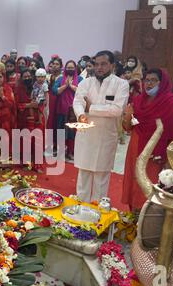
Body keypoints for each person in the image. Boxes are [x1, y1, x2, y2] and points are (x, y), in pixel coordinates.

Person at [121, 69, 173, 211]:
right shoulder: (138, 100)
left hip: (155, 152)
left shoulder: (171, 104)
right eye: (147, 80)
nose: (148, 84)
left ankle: (147, 218)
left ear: (162, 83)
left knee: (148, 183)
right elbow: (129, 126)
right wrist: (128, 117)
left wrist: (171, 161)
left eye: (153, 80)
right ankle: (133, 216)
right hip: (135, 147)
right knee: (134, 180)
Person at [73, 50, 129, 203]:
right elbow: (78, 102)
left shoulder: (121, 84)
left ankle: (96, 215)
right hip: (86, 134)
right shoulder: (85, 83)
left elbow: (117, 110)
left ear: (111, 65)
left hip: (106, 136)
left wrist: (91, 108)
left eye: (103, 64)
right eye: (97, 64)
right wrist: (80, 114)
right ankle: (80, 210)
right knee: (83, 175)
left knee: (101, 177)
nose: (99, 67)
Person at [15, 69, 45, 173]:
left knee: (37, 141)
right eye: (25, 77)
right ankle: (26, 163)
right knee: (26, 141)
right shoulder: (18, 90)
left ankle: (37, 165)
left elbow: (43, 102)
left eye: (29, 76)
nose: (27, 78)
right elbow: (16, 104)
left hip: (37, 118)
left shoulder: (38, 87)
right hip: (24, 118)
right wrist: (28, 105)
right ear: (21, 78)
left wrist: (39, 105)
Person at [53, 60, 83, 160]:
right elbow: (55, 91)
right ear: (65, 69)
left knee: (72, 132)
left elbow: (83, 91)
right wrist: (65, 85)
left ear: (75, 68)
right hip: (61, 109)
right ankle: (61, 151)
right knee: (61, 131)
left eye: (72, 68)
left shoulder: (79, 79)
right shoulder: (61, 78)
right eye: (68, 68)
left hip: (73, 111)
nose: (70, 69)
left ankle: (70, 152)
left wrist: (71, 86)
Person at [46, 57, 63, 155]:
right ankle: (49, 145)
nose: (54, 66)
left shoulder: (62, 78)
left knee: (59, 124)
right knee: (49, 123)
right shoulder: (47, 77)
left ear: (61, 66)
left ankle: (58, 146)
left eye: (57, 64)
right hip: (50, 102)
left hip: (59, 101)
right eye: (53, 64)